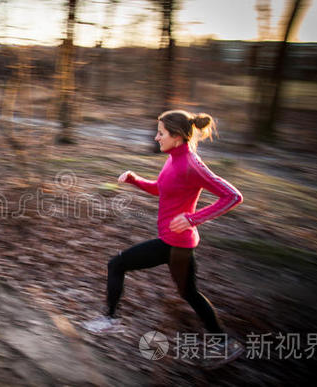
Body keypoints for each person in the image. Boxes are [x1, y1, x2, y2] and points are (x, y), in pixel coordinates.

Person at [83, 110, 244, 363]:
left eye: (161, 133)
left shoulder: (192, 164)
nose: (156, 138)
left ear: (177, 136)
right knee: (189, 293)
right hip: (173, 242)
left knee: (117, 264)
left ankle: (110, 319)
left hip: (176, 244)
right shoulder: (173, 158)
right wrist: (135, 179)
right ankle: (224, 342)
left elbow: (233, 196)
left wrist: (192, 219)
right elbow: (162, 189)